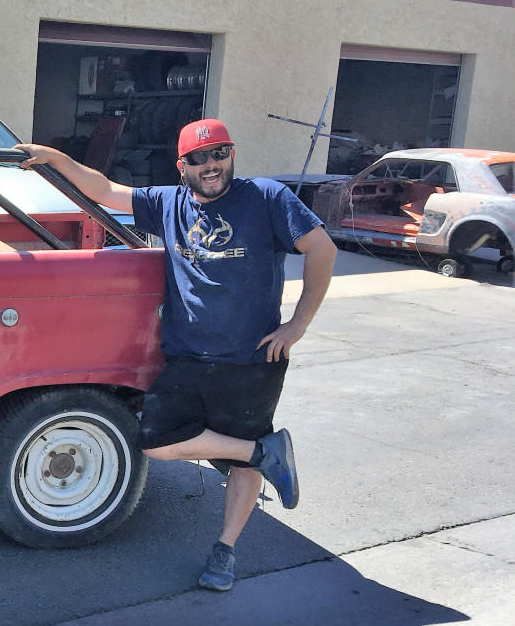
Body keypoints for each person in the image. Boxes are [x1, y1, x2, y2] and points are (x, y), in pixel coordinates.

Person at [17, 118, 336, 592]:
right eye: (199, 159)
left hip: (252, 358)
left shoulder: (267, 198)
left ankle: (225, 550)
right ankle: (265, 452)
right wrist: (58, 160)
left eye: (220, 154)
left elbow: (322, 249)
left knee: (242, 467)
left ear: (231, 154)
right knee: (157, 442)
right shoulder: (167, 202)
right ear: (181, 165)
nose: (212, 165)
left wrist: (299, 324)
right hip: (187, 357)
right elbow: (104, 190)